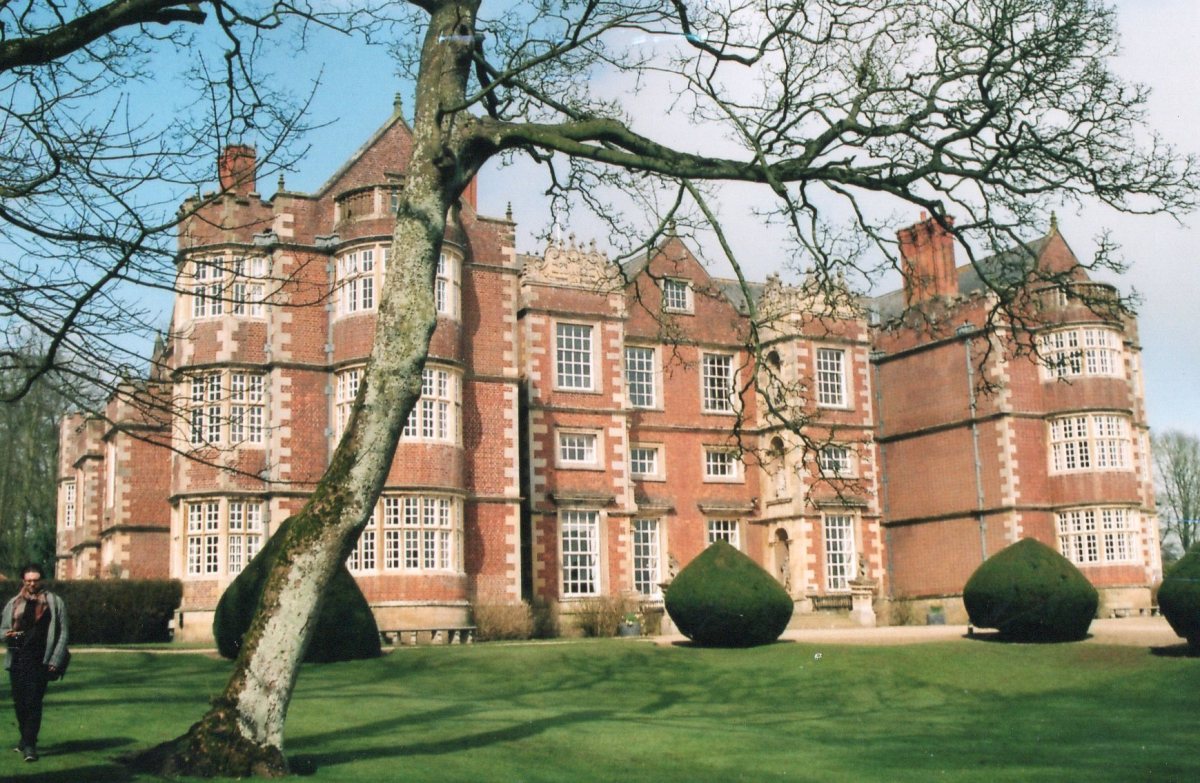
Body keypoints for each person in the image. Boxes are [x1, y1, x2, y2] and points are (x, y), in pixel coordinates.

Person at [1, 564, 69, 763]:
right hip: (17, 659)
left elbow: (63, 632)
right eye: (28, 580)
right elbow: (3, 630)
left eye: (36, 580)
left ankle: (30, 745)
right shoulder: (14, 603)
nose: (32, 583)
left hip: (40, 660)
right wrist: (9, 635)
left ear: (42, 580)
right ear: (23, 581)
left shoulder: (54, 602)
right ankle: (25, 738)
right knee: (20, 703)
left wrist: (55, 659)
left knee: (33, 702)